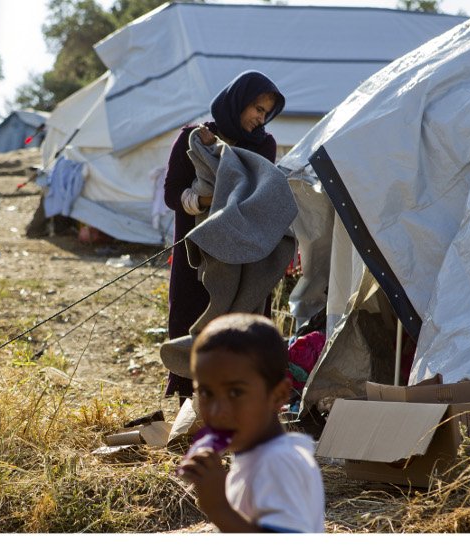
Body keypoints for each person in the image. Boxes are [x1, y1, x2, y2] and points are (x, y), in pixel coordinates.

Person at [163, 71, 286, 400]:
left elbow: (257, 195)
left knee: (240, 324)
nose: (260, 118)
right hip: (197, 251)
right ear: (239, 102)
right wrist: (207, 200)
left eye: (265, 112)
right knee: (192, 316)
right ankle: (192, 404)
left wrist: (223, 193)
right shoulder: (192, 136)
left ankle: (235, 402)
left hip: (242, 254)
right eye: (256, 108)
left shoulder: (264, 145)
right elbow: (173, 195)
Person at [179, 313, 325, 533]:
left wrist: (220, 509)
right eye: (207, 393)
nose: (218, 411)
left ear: (278, 395)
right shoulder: (255, 454)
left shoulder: (279, 464)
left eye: (236, 392)